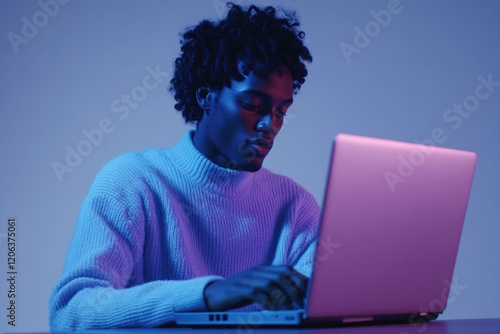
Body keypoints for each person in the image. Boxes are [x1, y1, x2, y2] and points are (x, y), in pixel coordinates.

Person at [49, 3, 318, 330]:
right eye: (252, 105)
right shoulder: (133, 182)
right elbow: (71, 314)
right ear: (207, 96)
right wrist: (209, 293)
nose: (270, 125)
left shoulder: (296, 206)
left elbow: (323, 317)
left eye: (281, 112)